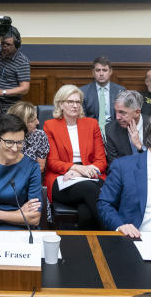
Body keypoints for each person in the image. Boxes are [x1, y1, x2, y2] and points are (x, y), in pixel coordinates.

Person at [44, 84, 107, 229]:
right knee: (91, 191)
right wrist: (75, 169)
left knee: (86, 208)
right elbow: (53, 162)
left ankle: (84, 245)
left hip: (91, 174)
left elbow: (101, 161)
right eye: (70, 102)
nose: (75, 106)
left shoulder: (92, 124)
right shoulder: (50, 125)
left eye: (77, 102)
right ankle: (113, 232)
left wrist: (85, 171)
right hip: (62, 177)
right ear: (60, 104)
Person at [0, 101, 50, 172]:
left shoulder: (40, 136)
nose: (38, 122)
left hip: (29, 179)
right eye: (32, 121)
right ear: (21, 123)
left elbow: (40, 167)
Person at [80, 56, 127, 143]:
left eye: (104, 70)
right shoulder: (83, 92)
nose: (101, 74)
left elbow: (124, 117)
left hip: (115, 133)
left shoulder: (121, 91)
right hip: (91, 134)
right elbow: (82, 119)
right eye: (98, 70)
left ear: (110, 72)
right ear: (93, 72)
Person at [0, 27, 30, 113]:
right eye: (2, 44)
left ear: (17, 44)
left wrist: (2, 91)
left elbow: (25, 88)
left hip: (10, 107)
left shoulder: (22, 62)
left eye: (8, 45)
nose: (4, 47)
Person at [105, 90, 145, 166]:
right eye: (116, 112)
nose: (117, 117)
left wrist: (140, 147)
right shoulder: (110, 130)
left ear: (137, 112)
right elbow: (114, 165)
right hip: (124, 175)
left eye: (122, 112)